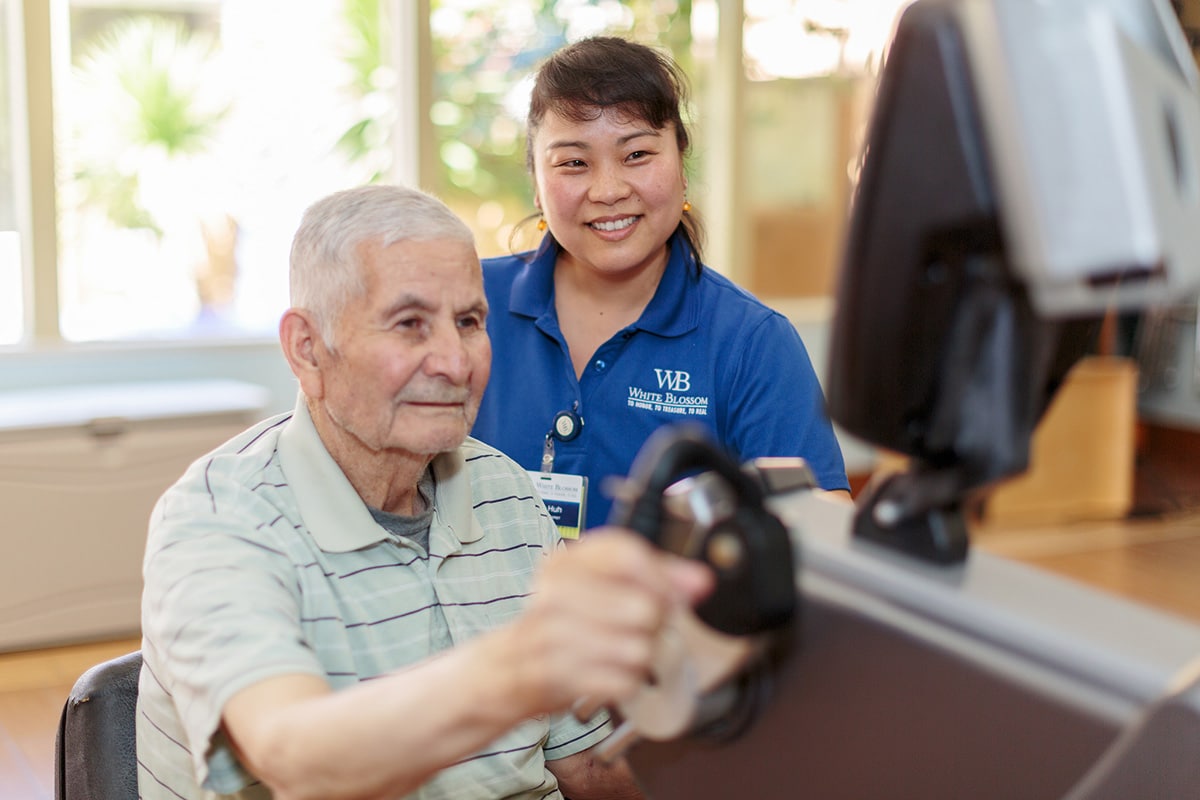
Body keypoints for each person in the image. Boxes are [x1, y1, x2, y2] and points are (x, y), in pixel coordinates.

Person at [135, 184, 714, 800]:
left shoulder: (507, 495)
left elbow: (588, 770)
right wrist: (524, 666)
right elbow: (294, 757)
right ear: (307, 349)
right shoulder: (218, 519)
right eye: (410, 324)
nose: (454, 362)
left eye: (469, 322)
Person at [472, 36, 850, 534]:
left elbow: (823, 537)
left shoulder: (751, 341)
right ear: (536, 185)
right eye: (573, 163)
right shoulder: (470, 304)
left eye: (636, 154)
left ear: (681, 165)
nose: (609, 190)